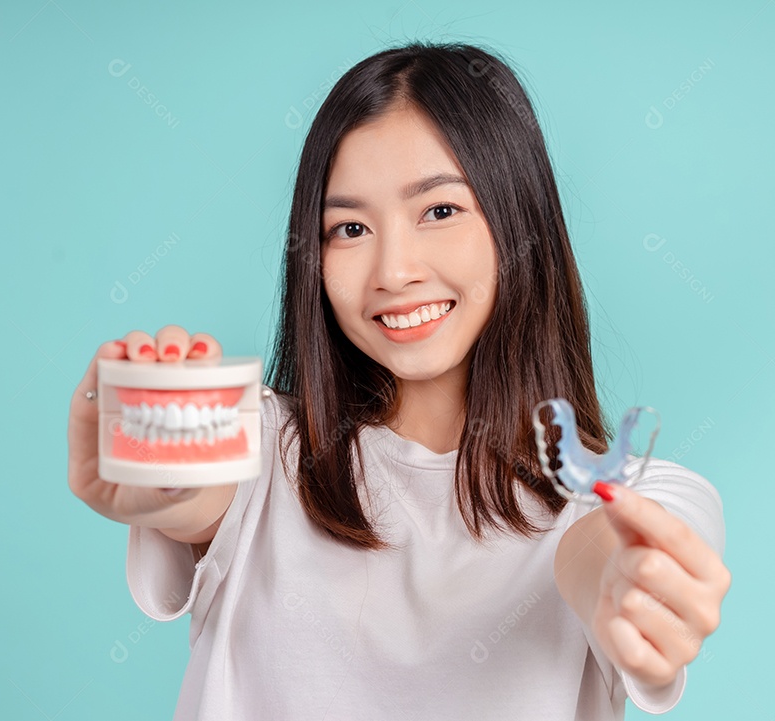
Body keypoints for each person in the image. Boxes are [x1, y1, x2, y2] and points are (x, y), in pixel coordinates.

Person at [68, 40, 730, 720]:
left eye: (439, 211)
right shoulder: (264, 452)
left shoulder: (618, 496)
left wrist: (633, 588)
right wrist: (155, 450)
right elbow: (189, 487)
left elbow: (613, 551)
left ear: (517, 221)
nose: (393, 270)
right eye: (349, 227)